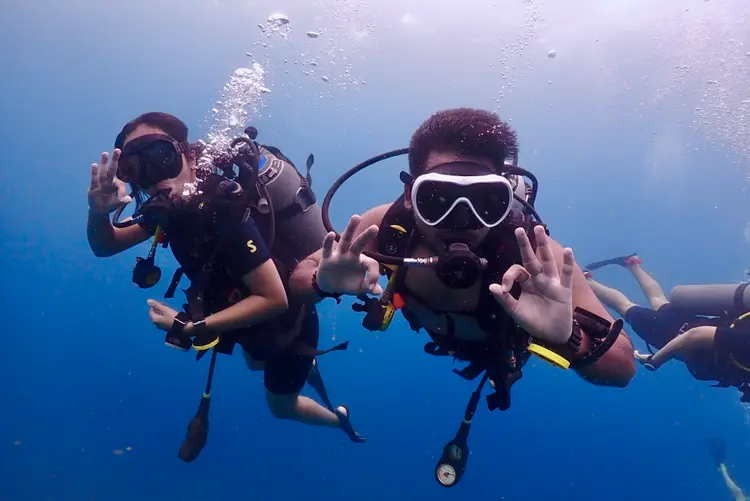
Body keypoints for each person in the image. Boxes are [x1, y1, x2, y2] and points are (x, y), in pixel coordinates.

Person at [86, 112, 364, 460]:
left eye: (159, 156)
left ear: (188, 156)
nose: (153, 177)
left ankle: (339, 420)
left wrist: (187, 327)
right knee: (252, 361)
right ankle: (301, 372)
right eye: (135, 169)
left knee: (280, 406)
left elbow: (274, 299)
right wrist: (98, 212)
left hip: (287, 327)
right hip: (237, 313)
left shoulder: (220, 209)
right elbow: (104, 245)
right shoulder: (173, 208)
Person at [583, 255, 750, 402]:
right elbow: (696, 336)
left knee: (658, 301)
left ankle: (631, 264)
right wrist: (655, 361)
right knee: (625, 307)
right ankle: (586, 281)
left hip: (688, 322)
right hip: (676, 333)